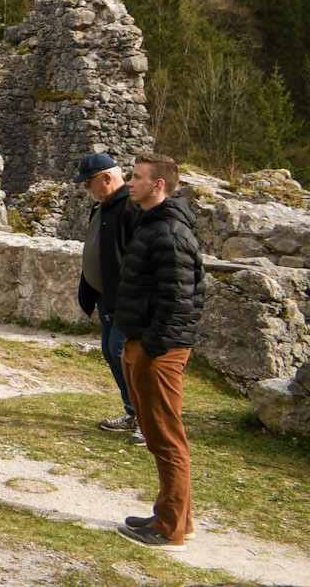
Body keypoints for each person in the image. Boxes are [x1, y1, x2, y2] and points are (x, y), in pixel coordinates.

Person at [115, 151, 206, 549]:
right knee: (157, 436)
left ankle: (168, 529)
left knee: (167, 439)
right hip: (144, 344)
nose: (128, 183)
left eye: (136, 177)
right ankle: (174, 518)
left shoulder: (169, 233)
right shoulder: (152, 225)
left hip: (159, 350)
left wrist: (151, 346)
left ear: (159, 185)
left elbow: (180, 300)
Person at [75, 152, 144, 442]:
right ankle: (133, 412)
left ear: (106, 178)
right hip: (105, 296)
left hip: (125, 299)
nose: (87, 189)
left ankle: (146, 420)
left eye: (89, 182)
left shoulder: (130, 207)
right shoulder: (103, 206)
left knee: (123, 353)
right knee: (110, 349)